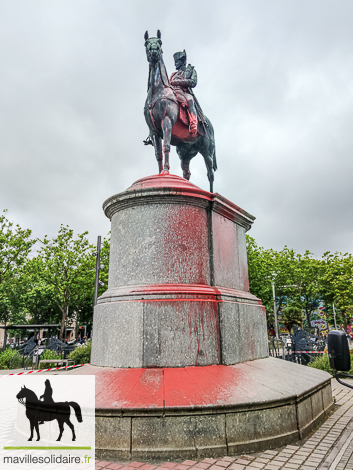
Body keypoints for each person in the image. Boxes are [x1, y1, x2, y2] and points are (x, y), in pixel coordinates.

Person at [170, 50, 203, 136]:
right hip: (174, 92)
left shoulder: (191, 70)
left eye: (176, 62)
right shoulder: (173, 75)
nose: (175, 64)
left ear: (183, 61)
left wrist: (178, 82)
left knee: (190, 102)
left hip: (185, 93)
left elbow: (193, 82)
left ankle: (193, 124)